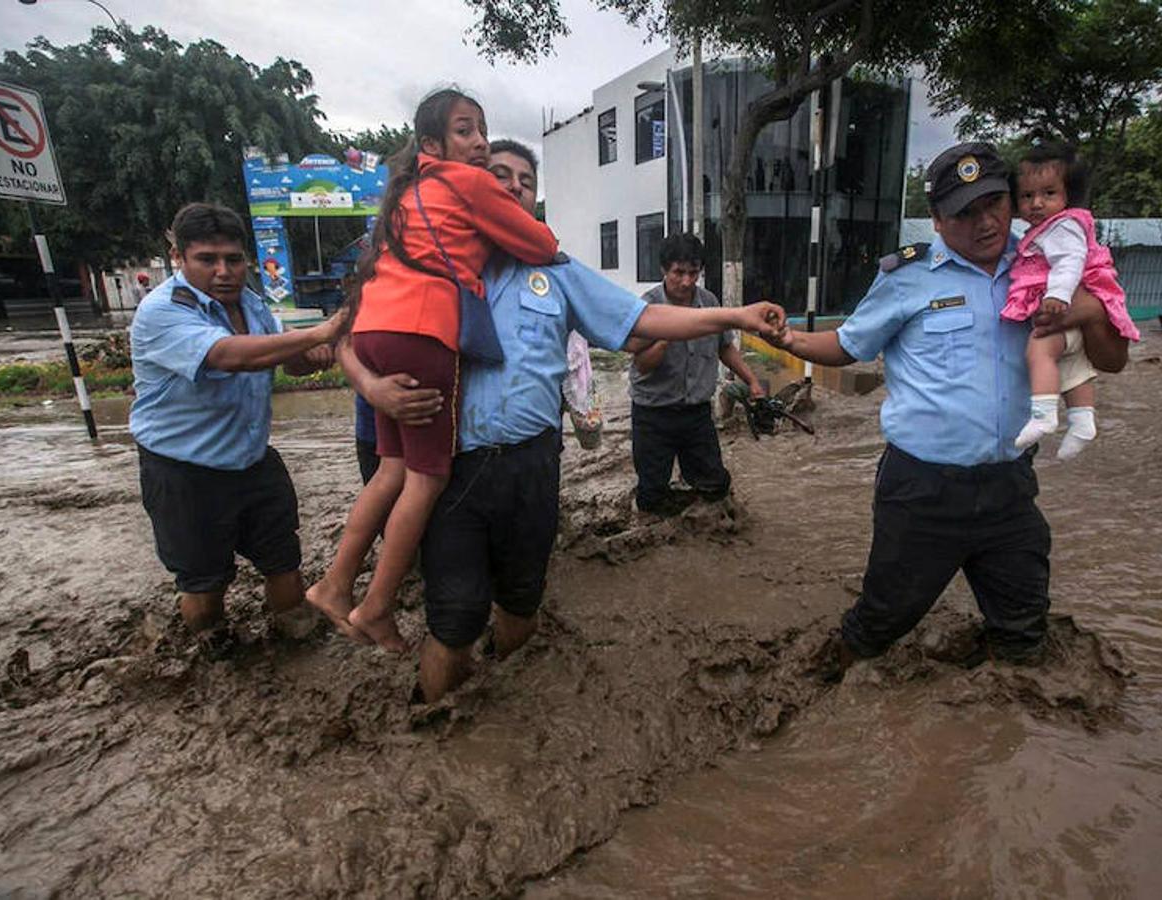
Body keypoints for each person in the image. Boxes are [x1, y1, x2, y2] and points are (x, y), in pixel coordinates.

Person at [339, 140, 786, 703]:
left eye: (524, 180)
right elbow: (349, 336)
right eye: (496, 175)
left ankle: (513, 708)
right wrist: (373, 387)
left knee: (523, 602)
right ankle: (435, 721)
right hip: (449, 472)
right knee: (453, 620)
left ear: (534, 198)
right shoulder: (424, 258)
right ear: (470, 186)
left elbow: (640, 318)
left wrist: (735, 314)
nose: (511, 186)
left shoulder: (556, 271)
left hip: (532, 466)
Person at [765, 142, 1130, 672]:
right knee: (880, 622)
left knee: (1024, 628)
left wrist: (1092, 309)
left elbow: (1112, 360)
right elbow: (849, 344)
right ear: (937, 221)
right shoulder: (905, 276)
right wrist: (790, 341)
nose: (985, 223)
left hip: (1009, 486)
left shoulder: (1047, 266)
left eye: (994, 205)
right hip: (922, 492)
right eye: (964, 213)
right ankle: (817, 678)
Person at [308, 89, 558, 652]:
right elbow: (538, 242)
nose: (478, 142)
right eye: (465, 131)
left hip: (375, 332)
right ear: (432, 145)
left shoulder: (404, 198)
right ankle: (374, 608)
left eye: (481, 130)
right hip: (422, 335)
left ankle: (334, 582)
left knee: (391, 470)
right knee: (428, 478)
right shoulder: (469, 184)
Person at [129, 202, 340, 640]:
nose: (223, 271)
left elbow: (284, 361)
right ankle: (209, 654)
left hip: (252, 460)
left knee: (285, 563)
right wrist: (320, 332)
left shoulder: (252, 302)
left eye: (233, 259)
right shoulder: (162, 311)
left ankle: (298, 641)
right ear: (179, 258)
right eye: (207, 260)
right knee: (205, 587)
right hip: (185, 472)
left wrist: (313, 356)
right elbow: (228, 355)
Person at [1003, 142, 1140, 458]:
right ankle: (1082, 421)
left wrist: (1065, 300)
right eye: (1026, 196)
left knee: (1039, 350)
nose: (1036, 203)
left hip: (1057, 309)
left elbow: (1069, 261)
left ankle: (1044, 416)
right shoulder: (1034, 237)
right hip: (1064, 317)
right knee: (1074, 368)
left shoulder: (1062, 227)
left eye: (1048, 193)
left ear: (1068, 195)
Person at [626, 233, 765, 516]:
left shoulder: (709, 303)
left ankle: (702, 534)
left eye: (693, 273)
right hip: (653, 413)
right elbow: (642, 365)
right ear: (664, 270)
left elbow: (724, 348)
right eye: (679, 273)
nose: (686, 281)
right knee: (651, 496)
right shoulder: (646, 308)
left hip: (696, 413)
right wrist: (667, 332)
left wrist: (752, 381)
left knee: (715, 486)